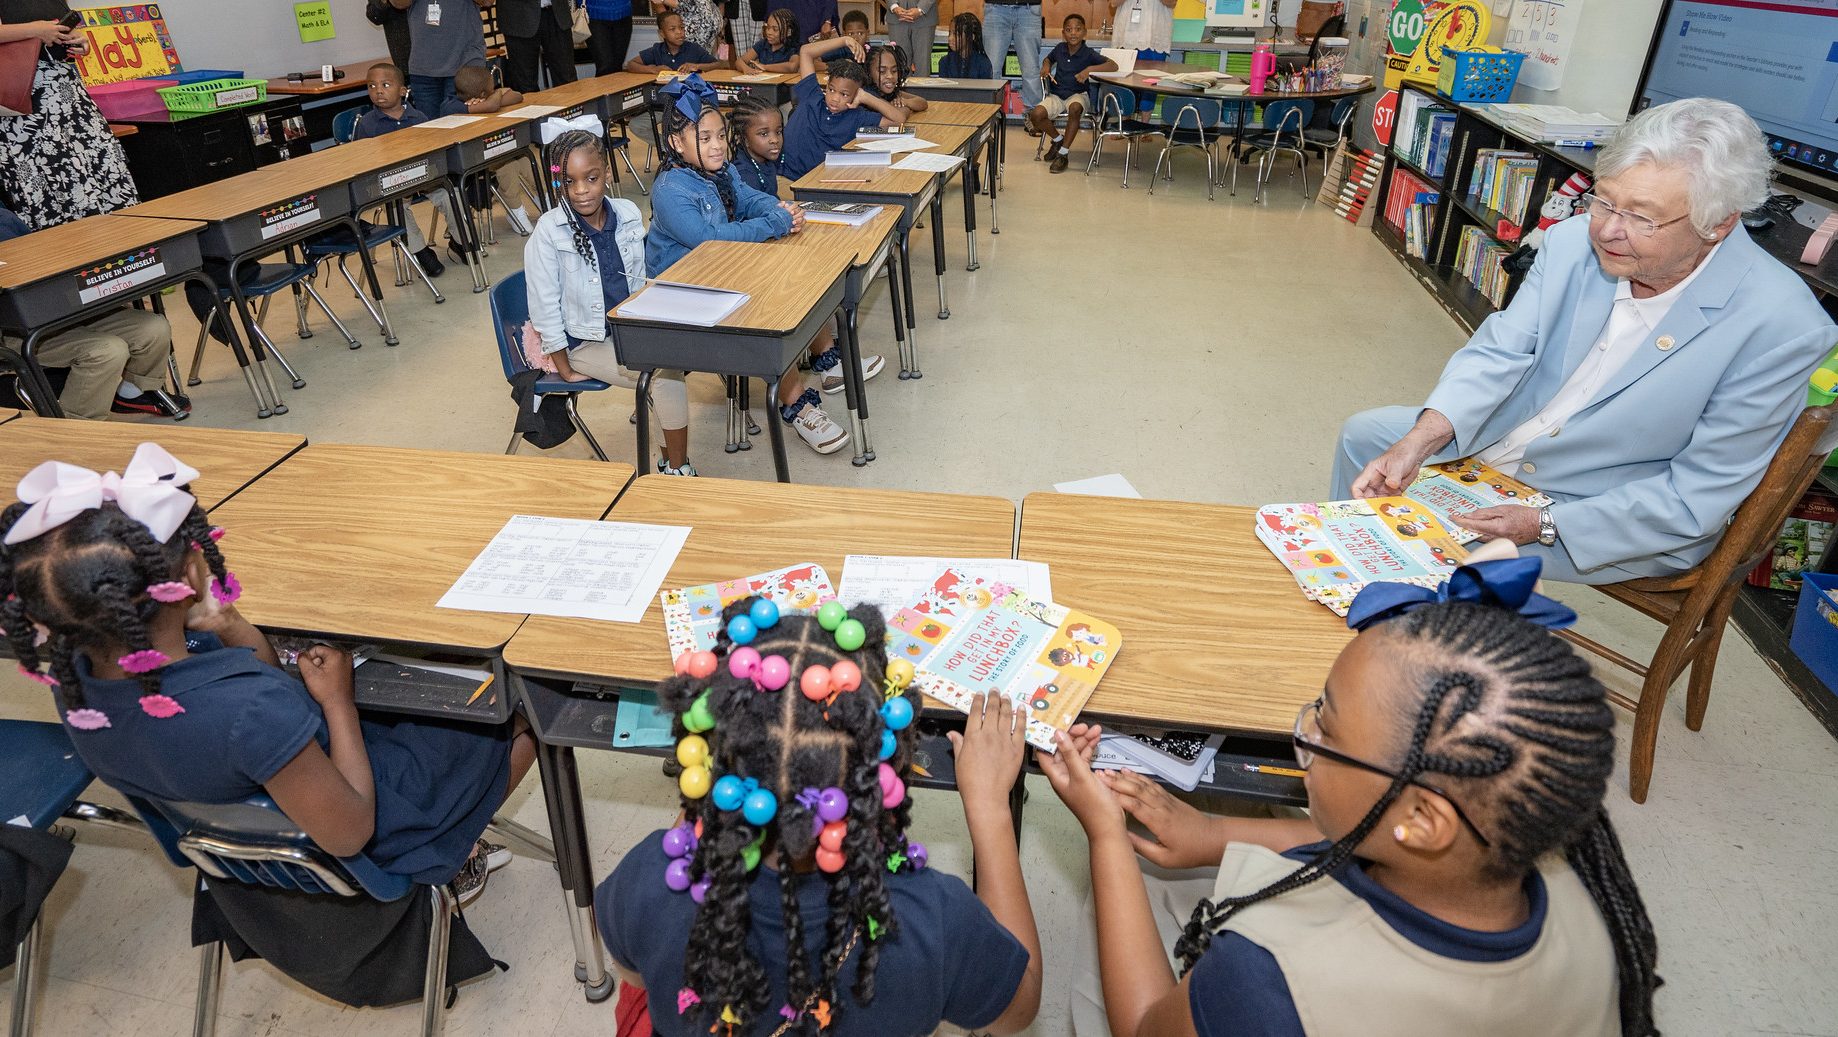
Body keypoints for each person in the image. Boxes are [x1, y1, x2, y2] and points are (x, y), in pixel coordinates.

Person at [1043, 560, 1662, 1037]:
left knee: (1120, 897)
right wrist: (1212, 835)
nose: (1305, 731)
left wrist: (1104, 838)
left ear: (1423, 820)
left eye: (1326, 728)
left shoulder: (1267, 979)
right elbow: (1370, 838)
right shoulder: (1568, 873)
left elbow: (1146, 1025)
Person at [1, 443, 537, 900]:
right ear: (190, 572)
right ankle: (446, 855)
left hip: (258, 803)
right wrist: (337, 703)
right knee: (518, 711)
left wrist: (231, 625)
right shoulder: (251, 714)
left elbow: (262, 695)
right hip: (370, 824)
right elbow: (351, 831)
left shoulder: (75, 679)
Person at [1333, 99, 1837, 584]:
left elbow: (1695, 497)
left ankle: (1403, 644)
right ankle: (1346, 595)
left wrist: (1546, 524)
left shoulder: (1782, 326)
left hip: (1612, 507)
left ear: (1719, 222)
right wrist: (1421, 440)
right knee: (1369, 439)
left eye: (1642, 217)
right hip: (1511, 437)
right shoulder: (1573, 241)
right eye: (1605, 201)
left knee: (1427, 545)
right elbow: (1500, 352)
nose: (1608, 231)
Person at [595, 598, 1043, 1036]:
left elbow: (632, 977)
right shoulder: (930, 920)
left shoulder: (655, 879)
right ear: (886, 766)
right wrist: (989, 809)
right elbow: (1019, 1008)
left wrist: (707, 808)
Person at [647, 76, 856, 455]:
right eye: (705, 138)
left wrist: (778, 209)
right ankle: (797, 404)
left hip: (721, 275)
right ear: (677, 144)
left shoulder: (720, 171)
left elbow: (750, 199)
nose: (717, 146)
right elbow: (710, 240)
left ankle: (820, 357)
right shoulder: (670, 189)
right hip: (682, 296)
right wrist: (773, 223)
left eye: (720, 137)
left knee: (794, 271)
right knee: (767, 306)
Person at [527, 121, 698, 476]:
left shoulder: (628, 214)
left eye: (590, 178)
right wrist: (563, 364)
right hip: (583, 342)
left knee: (671, 364)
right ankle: (678, 471)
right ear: (558, 182)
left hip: (628, 331)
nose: (581, 191)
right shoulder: (548, 231)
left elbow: (638, 281)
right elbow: (543, 306)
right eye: (568, 182)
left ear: (606, 172)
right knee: (664, 376)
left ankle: (670, 466)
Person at [727, 90, 887, 398]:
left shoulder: (762, 162)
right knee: (805, 278)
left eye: (778, 132)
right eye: (763, 134)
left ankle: (826, 358)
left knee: (815, 266)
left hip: (764, 242)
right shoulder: (743, 171)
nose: (774, 140)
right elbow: (751, 217)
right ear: (743, 138)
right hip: (746, 255)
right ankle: (827, 364)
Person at [0, 206, 186, 421]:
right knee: (106, 351)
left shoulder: (5, 217)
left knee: (154, 328)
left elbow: (38, 259)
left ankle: (131, 394)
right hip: (13, 329)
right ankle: (78, 429)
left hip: (55, 308)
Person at [0, 4, 137, 229]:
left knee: (98, 169)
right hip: (25, 100)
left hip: (67, 90)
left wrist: (76, 40)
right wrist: (36, 30)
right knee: (55, 180)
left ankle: (125, 247)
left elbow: (53, 28)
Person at [352, 62, 456, 278]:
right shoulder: (368, 125)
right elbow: (365, 164)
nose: (378, 91)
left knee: (448, 195)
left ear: (402, 91)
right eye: (371, 86)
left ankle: (461, 240)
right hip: (389, 186)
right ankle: (420, 252)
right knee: (398, 208)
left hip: (424, 177)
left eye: (386, 84)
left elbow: (432, 152)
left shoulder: (418, 118)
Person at [779, 36, 905, 180]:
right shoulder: (812, 96)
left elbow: (898, 120)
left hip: (820, 183)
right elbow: (806, 51)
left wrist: (866, 97)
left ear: (855, 95)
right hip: (785, 177)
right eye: (831, 90)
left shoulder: (857, 116)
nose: (835, 98)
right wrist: (844, 40)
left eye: (844, 94)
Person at [1031, 13, 1113, 173]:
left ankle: (1063, 154)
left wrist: (1089, 70)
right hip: (1057, 95)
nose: (1073, 33)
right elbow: (1048, 59)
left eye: (1077, 29)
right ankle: (1058, 140)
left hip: (1078, 95)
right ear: (1063, 33)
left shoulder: (1089, 53)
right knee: (1036, 115)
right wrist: (1046, 66)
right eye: (1069, 30)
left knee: (1074, 108)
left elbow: (1112, 65)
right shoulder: (1059, 48)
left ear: (1084, 33)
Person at [388, 0, 489, 117]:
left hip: (466, 65)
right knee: (432, 130)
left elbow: (487, 1)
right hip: (424, 67)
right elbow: (399, 4)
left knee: (466, 129)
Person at [497, 0, 579, 94]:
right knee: (525, 86)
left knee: (567, 79)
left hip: (557, 13)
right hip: (517, 17)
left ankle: (570, 108)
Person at [982, 0, 1043, 112]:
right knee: (991, 70)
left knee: (1031, 71)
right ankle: (988, 116)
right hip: (996, 8)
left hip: (1029, 9)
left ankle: (1034, 118)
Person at [625, 10, 721, 73]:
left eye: (681, 28)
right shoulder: (657, 50)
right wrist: (653, 69)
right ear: (662, 33)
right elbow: (631, 64)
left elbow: (717, 65)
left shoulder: (694, 49)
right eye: (672, 29)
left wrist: (697, 66)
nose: (679, 32)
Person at [439, 63, 525, 114]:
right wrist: (498, 92)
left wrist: (494, 97)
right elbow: (492, 105)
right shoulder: (451, 106)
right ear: (483, 94)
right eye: (493, 89)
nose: (494, 90)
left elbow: (518, 96)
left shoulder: (483, 99)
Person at [733, 7, 798, 73]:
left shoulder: (794, 47)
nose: (769, 32)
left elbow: (792, 67)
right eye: (768, 27)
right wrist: (746, 69)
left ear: (788, 32)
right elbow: (739, 61)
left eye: (775, 29)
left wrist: (765, 67)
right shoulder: (763, 44)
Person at [868, 43, 927, 114]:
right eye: (882, 71)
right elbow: (898, 115)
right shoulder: (868, 96)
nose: (890, 76)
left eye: (894, 71)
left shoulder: (892, 93)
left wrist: (905, 102)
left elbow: (923, 102)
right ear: (868, 72)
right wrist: (906, 108)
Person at [585, 0, 636, 75]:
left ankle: (616, 87)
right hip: (594, 16)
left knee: (617, 66)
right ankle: (605, 86)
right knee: (605, 67)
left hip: (624, 14)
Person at [882, 0, 934, 73]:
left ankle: (921, 85)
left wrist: (920, 9)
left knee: (922, 63)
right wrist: (894, 6)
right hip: (896, 17)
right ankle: (901, 84)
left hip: (925, 17)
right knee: (899, 61)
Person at [652, 0, 724, 53]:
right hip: (689, 31)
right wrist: (667, 19)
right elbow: (684, 4)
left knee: (702, 63)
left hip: (708, 34)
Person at [938, 11, 991, 78]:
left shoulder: (983, 64)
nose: (950, 38)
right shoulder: (945, 62)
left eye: (956, 34)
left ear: (971, 37)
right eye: (949, 33)